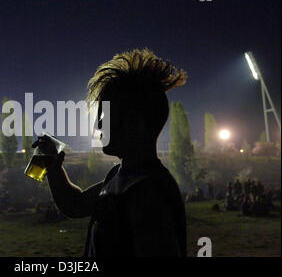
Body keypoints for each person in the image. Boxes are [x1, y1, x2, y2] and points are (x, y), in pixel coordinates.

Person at [33, 49, 187, 257]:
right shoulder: (120, 176)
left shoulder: (149, 193)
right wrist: (54, 168)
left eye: (104, 116)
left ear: (134, 122)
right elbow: (74, 205)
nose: (97, 125)